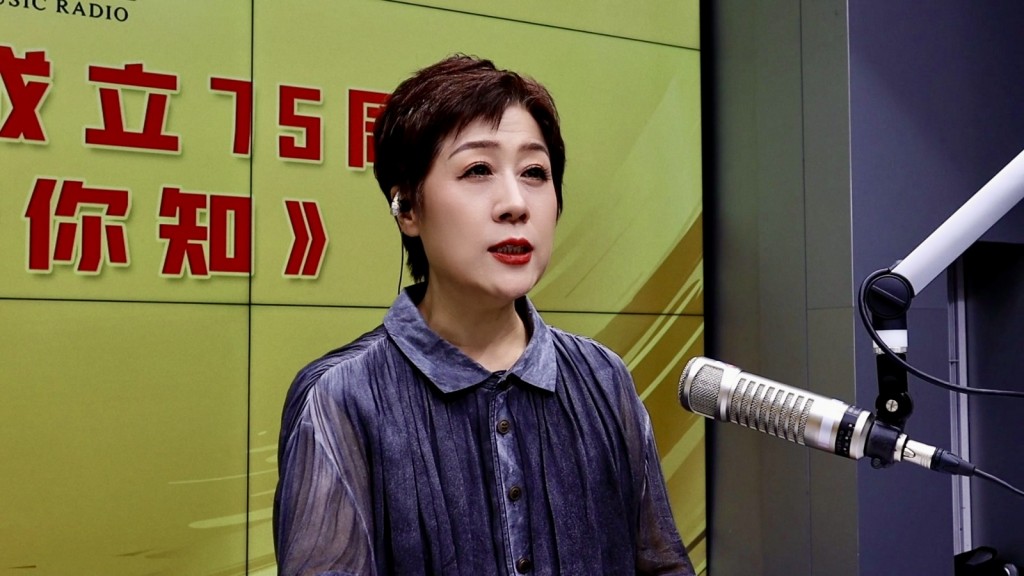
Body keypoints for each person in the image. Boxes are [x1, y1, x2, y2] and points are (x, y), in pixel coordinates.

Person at [274, 54, 695, 576]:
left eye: (535, 173)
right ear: (407, 208)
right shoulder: (343, 397)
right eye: (478, 170)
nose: (515, 203)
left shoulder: (603, 378)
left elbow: (662, 566)